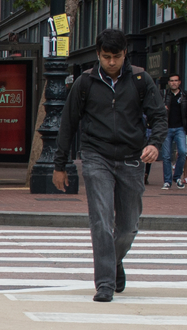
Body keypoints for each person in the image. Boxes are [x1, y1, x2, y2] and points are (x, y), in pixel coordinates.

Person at [56, 26, 167, 303]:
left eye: (116, 56)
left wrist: (155, 144)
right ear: (98, 54)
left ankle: (114, 262)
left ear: (125, 53)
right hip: (96, 156)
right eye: (106, 57)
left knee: (128, 226)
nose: (112, 62)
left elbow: (159, 117)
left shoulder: (141, 79)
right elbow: (68, 123)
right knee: (101, 221)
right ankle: (104, 283)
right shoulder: (85, 82)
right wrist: (60, 164)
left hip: (132, 158)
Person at [158, 72, 187, 188]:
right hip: (166, 128)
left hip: (180, 128)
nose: (174, 83)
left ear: (179, 82)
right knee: (166, 156)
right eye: (171, 81)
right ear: (168, 83)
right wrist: (162, 109)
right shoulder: (163, 94)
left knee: (182, 152)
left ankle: (177, 177)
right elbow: (155, 109)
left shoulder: (185, 95)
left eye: (176, 80)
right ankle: (167, 181)